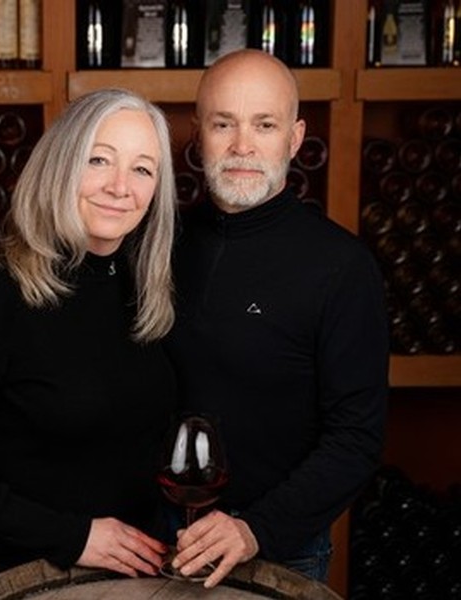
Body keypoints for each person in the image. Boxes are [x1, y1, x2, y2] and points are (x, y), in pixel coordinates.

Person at [0, 88, 179, 592]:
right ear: (61, 166)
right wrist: (72, 536)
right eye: (99, 160)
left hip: (133, 575)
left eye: (142, 169)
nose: (120, 187)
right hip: (24, 574)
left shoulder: (146, 286)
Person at [163, 49, 390, 588]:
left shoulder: (341, 265)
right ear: (198, 135)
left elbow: (356, 438)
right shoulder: (157, 242)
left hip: (272, 550)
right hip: (150, 536)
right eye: (224, 124)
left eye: (264, 125)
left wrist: (253, 529)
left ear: (294, 138)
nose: (242, 145)